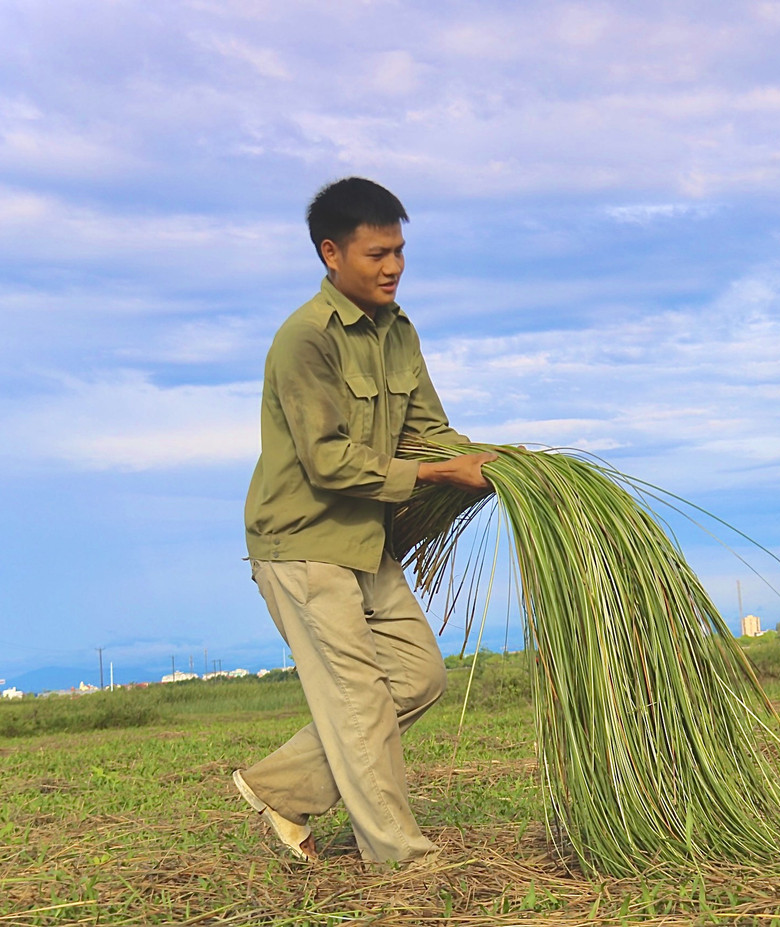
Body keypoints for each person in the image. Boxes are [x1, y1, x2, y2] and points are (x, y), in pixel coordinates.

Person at [233, 177, 496, 865]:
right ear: (331, 253)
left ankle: (278, 788)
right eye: (377, 253)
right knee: (358, 699)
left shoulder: (398, 331)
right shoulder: (305, 340)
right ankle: (401, 857)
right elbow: (326, 460)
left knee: (418, 676)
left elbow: (428, 432)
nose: (393, 266)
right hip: (303, 542)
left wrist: (493, 465)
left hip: (365, 539)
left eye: (399, 251)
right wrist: (435, 476)